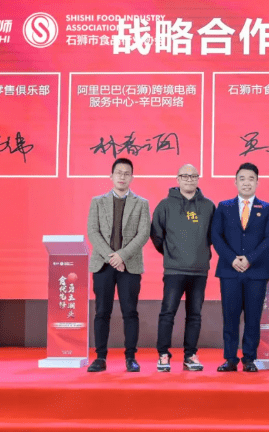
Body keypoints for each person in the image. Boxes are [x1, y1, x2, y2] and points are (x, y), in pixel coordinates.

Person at [211, 162, 269, 372]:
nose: (246, 183)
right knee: (230, 316)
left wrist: (249, 259)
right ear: (235, 182)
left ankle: (249, 358)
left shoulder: (267, 208)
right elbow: (216, 236)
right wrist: (232, 259)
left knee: (253, 317)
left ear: (257, 182)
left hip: (256, 271)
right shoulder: (224, 207)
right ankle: (230, 358)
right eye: (242, 178)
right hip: (229, 271)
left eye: (251, 179)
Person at [86, 158, 151, 372]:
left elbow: (143, 234)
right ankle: (100, 358)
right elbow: (93, 232)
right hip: (103, 266)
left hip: (129, 266)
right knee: (101, 312)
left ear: (132, 177)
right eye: (118, 173)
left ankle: (131, 357)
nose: (122, 177)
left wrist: (121, 256)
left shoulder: (141, 203)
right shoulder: (97, 201)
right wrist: (111, 258)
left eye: (126, 173)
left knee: (130, 312)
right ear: (111, 176)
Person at [150, 164, 215, 372]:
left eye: (193, 176)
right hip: (174, 270)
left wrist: (200, 253)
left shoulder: (208, 206)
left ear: (198, 179)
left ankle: (190, 355)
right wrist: (170, 252)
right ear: (177, 179)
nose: (189, 179)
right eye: (185, 176)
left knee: (194, 314)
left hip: (199, 270)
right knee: (167, 313)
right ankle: (163, 355)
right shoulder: (165, 205)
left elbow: (213, 236)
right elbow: (156, 234)